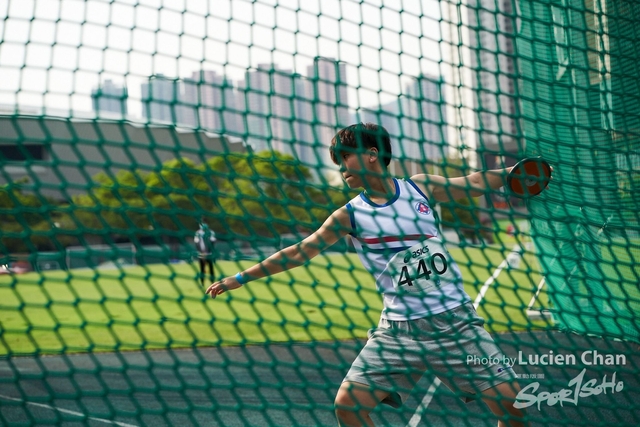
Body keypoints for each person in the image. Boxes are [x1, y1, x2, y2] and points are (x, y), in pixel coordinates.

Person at [206, 123, 527, 427]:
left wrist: (512, 173)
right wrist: (240, 277)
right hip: (399, 332)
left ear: (372, 154)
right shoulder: (349, 215)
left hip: (455, 323)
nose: (341, 167)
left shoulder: (420, 187)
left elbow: (472, 183)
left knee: (513, 407)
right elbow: (299, 251)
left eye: (345, 157)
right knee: (348, 405)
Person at [194, 221, 216, 286]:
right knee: (202, 269)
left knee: (211, 268)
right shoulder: (198, 233)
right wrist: (201, 252)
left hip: (209, 254)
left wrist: (208, 251)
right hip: (201, 254)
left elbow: (213, 242)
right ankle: (202, 282)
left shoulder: (211, 232)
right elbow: (196, 243)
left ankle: (212, 282)